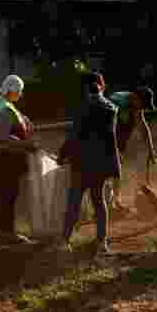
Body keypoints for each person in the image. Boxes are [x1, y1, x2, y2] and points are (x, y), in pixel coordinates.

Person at [60, 72, 120, 256]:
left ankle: (65, 241)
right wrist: (114, 166)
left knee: (74, 203)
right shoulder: (111, 109)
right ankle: (102, 243)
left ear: (86, 89)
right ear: (101, 87)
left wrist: (62, 155)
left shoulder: (81, 108)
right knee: (99, 202)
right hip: (101, 164)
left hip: (81, 163)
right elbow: (111, 139)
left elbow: (73, 137)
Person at [0, 74, 40, 244]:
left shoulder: (0, 103)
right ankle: (7, 232)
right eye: (20, 91)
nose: (21, 94)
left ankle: (5, 230)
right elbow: (3, 137)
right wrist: (26, 144)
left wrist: (23, 120)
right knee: (8, 194)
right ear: (12, 91)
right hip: (6, 159)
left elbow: (7, 123)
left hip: (1, 158)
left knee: (4, 194)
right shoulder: (4, 109)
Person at [106, 86, 157, 212]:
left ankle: (114, 201)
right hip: (105, 137)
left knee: (116, 172)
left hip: (118, 140)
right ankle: (106, 204)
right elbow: (105, 124)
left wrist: (151, 150)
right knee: (109, 170)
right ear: (136, 98)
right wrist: (112, 147)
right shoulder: (117, 102)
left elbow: (143, 126)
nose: (142, 109)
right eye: (143, 105)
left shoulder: (135, 105)